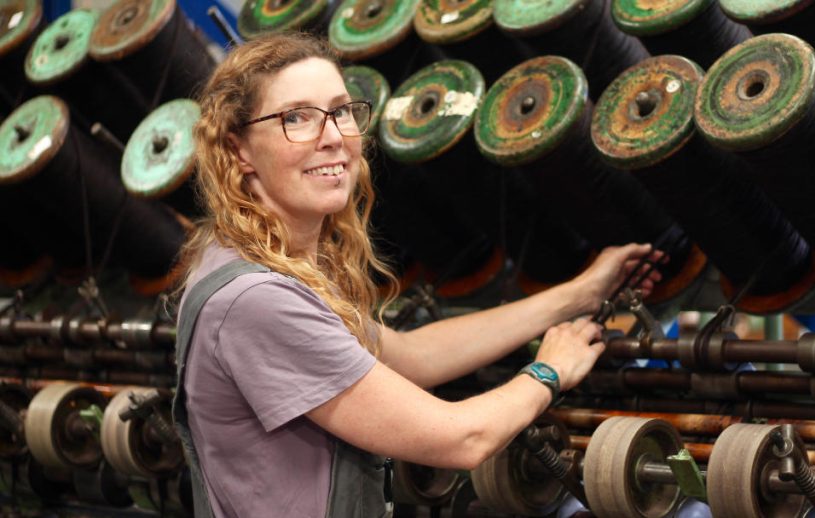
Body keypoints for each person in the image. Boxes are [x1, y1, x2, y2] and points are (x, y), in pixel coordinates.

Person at [173, 31, 661, 518]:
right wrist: (550, 370)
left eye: (341, 111)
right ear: (238, 150)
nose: (332, 137)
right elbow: (462, 439)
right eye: (296, 118)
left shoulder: (247, 260)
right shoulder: (257, 299)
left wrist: (576, 295)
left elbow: (412, 355)